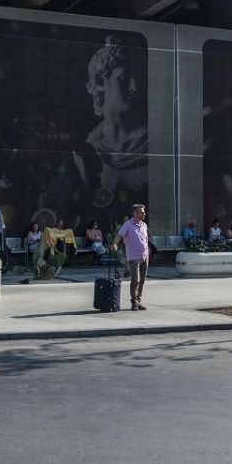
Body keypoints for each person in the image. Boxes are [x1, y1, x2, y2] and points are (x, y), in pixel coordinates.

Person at [82, 36, 147, 199]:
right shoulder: (90, 149)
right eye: (124, 79)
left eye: (136, 77)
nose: (134, 87)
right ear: (100, 82)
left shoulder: (149, 144)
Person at [110, 203, 149, 312]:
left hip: (145, 257)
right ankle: (134, 302)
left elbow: (145, 239)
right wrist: (115, 244)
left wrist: (147, 250)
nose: (144, 214)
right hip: (133, 258)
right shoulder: (127, 225)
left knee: (142, 281)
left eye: (144, 212)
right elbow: (119, 236)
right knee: (135, 280)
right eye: (141, 212)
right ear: (135, 213)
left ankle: (139, 300)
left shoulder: (144, 225)